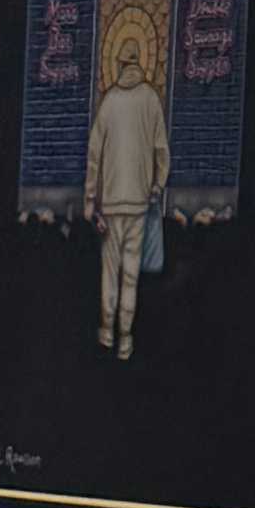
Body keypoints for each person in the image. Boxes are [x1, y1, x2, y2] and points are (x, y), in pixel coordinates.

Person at [84, 22, 174, 364]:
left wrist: (90, 198)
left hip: (110, 205)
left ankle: (105, 332)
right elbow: (162, 151)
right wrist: (157, 185)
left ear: (120, 64)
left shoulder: (108, 102)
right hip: (138, 203)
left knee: (109, 271)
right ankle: (125, 338)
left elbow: (94, 155)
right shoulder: (151, 99)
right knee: (131, 275)